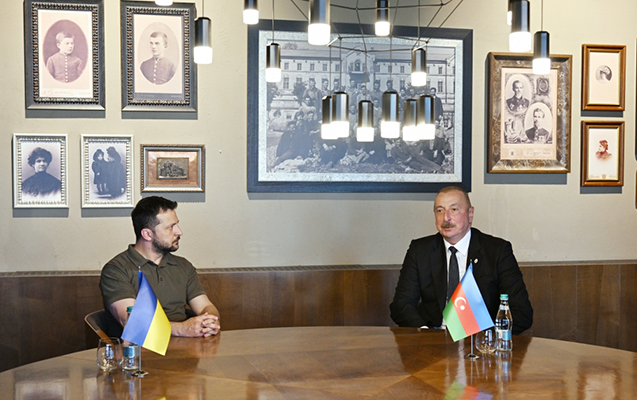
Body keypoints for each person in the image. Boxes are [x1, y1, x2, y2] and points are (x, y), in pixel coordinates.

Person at [390, 186, 533, 334]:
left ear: (470, 214)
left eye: (454, 209)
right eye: (440, 210)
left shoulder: (497, 251)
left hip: (481, 341)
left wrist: (485, 339)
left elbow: (521, 313)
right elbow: (401, 305)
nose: (446, 218)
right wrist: (425, 334)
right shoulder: (420, 251)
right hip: (432, 337)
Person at [100, 196, 220, 338]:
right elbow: (131, 321)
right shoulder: (116, 270)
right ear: (147, 234)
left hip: (187, 346)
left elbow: (205, 306)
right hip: (139, 348)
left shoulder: (183, 265)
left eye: (177, 225)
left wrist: (209, 321)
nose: (179, 232)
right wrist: (181, 329)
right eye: (170, 227)